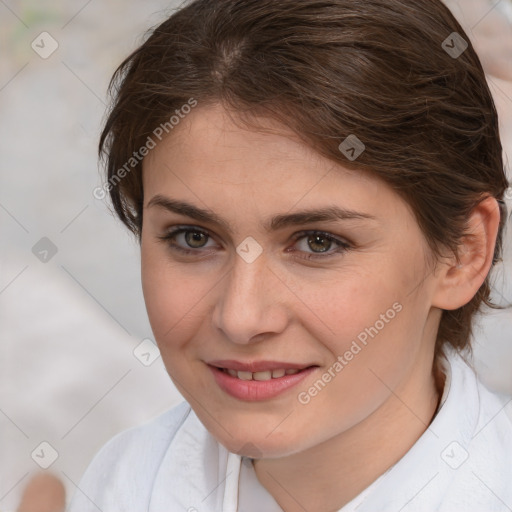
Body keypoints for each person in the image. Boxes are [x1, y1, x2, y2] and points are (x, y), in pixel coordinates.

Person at [67, 0, 512, 510]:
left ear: (462, 252)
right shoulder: (118, 485)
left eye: (317, 242)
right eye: (193, 237)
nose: (240, 318)